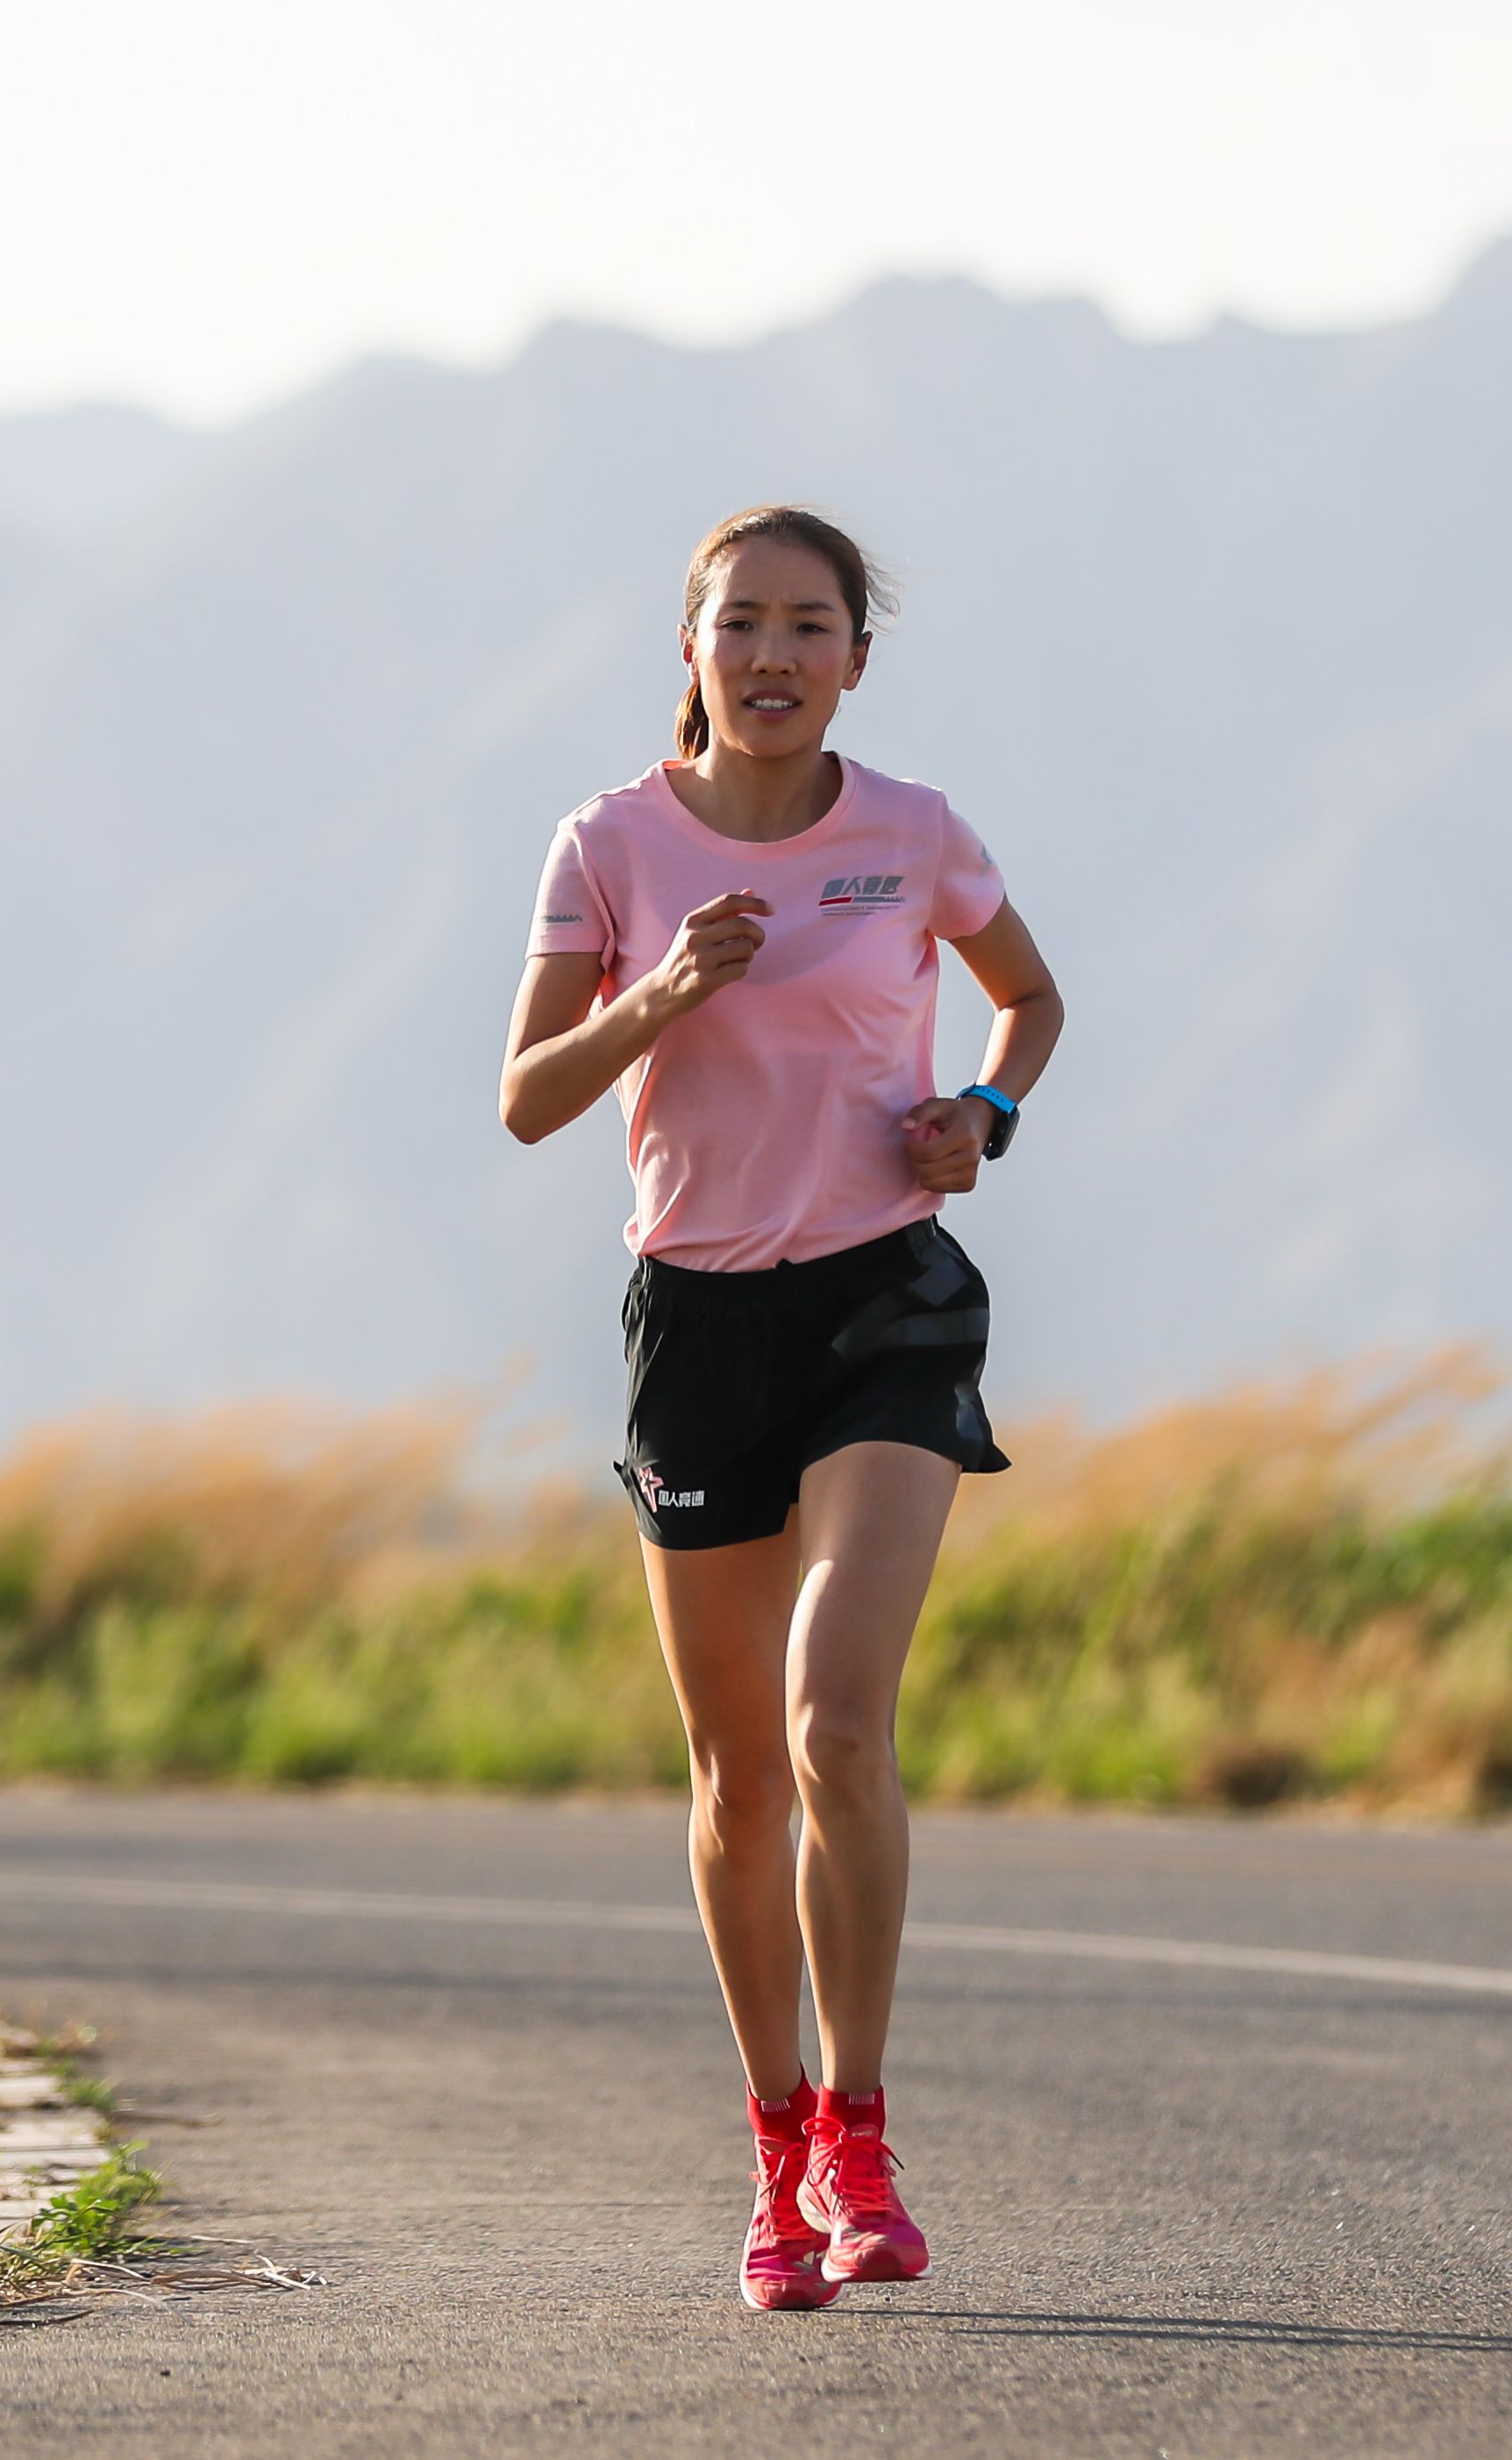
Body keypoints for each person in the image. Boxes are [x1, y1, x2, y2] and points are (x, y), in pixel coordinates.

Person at [498, 505, 1064, 2312]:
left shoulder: (913, 832)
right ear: (691, 649)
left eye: (807, 624)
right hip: (699, 1320)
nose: (771, 653)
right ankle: (774, 2144)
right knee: (741, 1777)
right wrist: (660, 992)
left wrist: (982, 1116)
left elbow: (1029, 1000)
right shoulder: (610, 843)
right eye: (739, 621)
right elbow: (524, 1096)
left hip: (884, 1297)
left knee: (835, 1716)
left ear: (854, 661)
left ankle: (865, 2132)